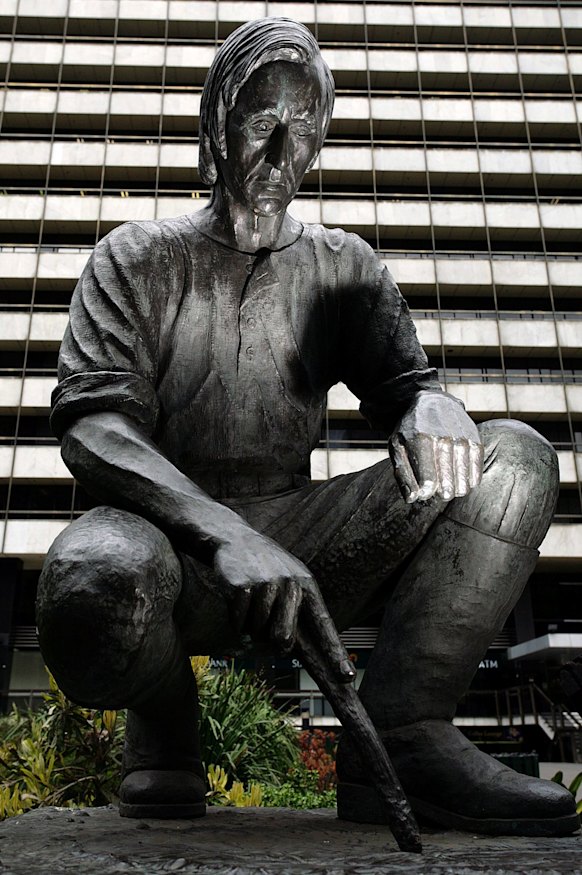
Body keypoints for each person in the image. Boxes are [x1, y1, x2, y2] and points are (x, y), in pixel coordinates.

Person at [37, 18, 578, 835]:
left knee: (515, 462)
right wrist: (220, 531)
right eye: (262, 121)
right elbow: (95, 425)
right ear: (218, 125)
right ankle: (165, 717)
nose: (282, 151)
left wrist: (430, 403)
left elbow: (408, 385)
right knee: (89, 581)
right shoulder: (138, 256)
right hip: (167, 538)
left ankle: (401, 734)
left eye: (304, 128)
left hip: (302, 528)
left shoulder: (344, 265)